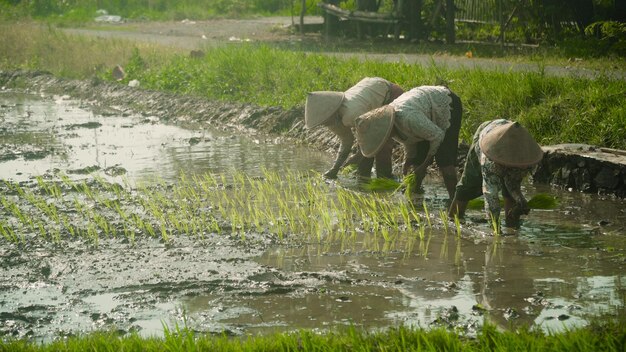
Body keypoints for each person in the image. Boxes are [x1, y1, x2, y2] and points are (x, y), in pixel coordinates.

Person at [353, 85, 463, 199]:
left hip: (445, 104)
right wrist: (408, 160)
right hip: (423, 113)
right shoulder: (392, 126)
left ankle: (455, 200)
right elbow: (409, 140)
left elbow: (438, 136)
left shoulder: (408, 118)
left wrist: (425, 165)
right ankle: (415, 196)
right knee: (416, 162)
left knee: (445, 160)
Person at [448, 119, 544, 230]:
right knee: (469, 183)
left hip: (508, 137)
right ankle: (453, 219)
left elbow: (512, 183)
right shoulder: (489, 160)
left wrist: (519, 198)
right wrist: (495, 230)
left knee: (510, 194)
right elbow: (490, 196)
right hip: (486, 136)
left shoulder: (524, 155)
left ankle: (511, 225)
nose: (523, 169)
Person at [305, 77, 404, 180]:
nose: (324, 124)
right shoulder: (333, 121)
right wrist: (335, 168)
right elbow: (346, 141)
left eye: (324, 121)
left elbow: (375, 138)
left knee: (383, 145)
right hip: (370, 105)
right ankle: (363, 180)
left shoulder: (352, 112)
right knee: (363, 159)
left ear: (330, 113)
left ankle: (385, 181)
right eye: (322, 122)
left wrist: (356, 157)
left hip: (390, 95)